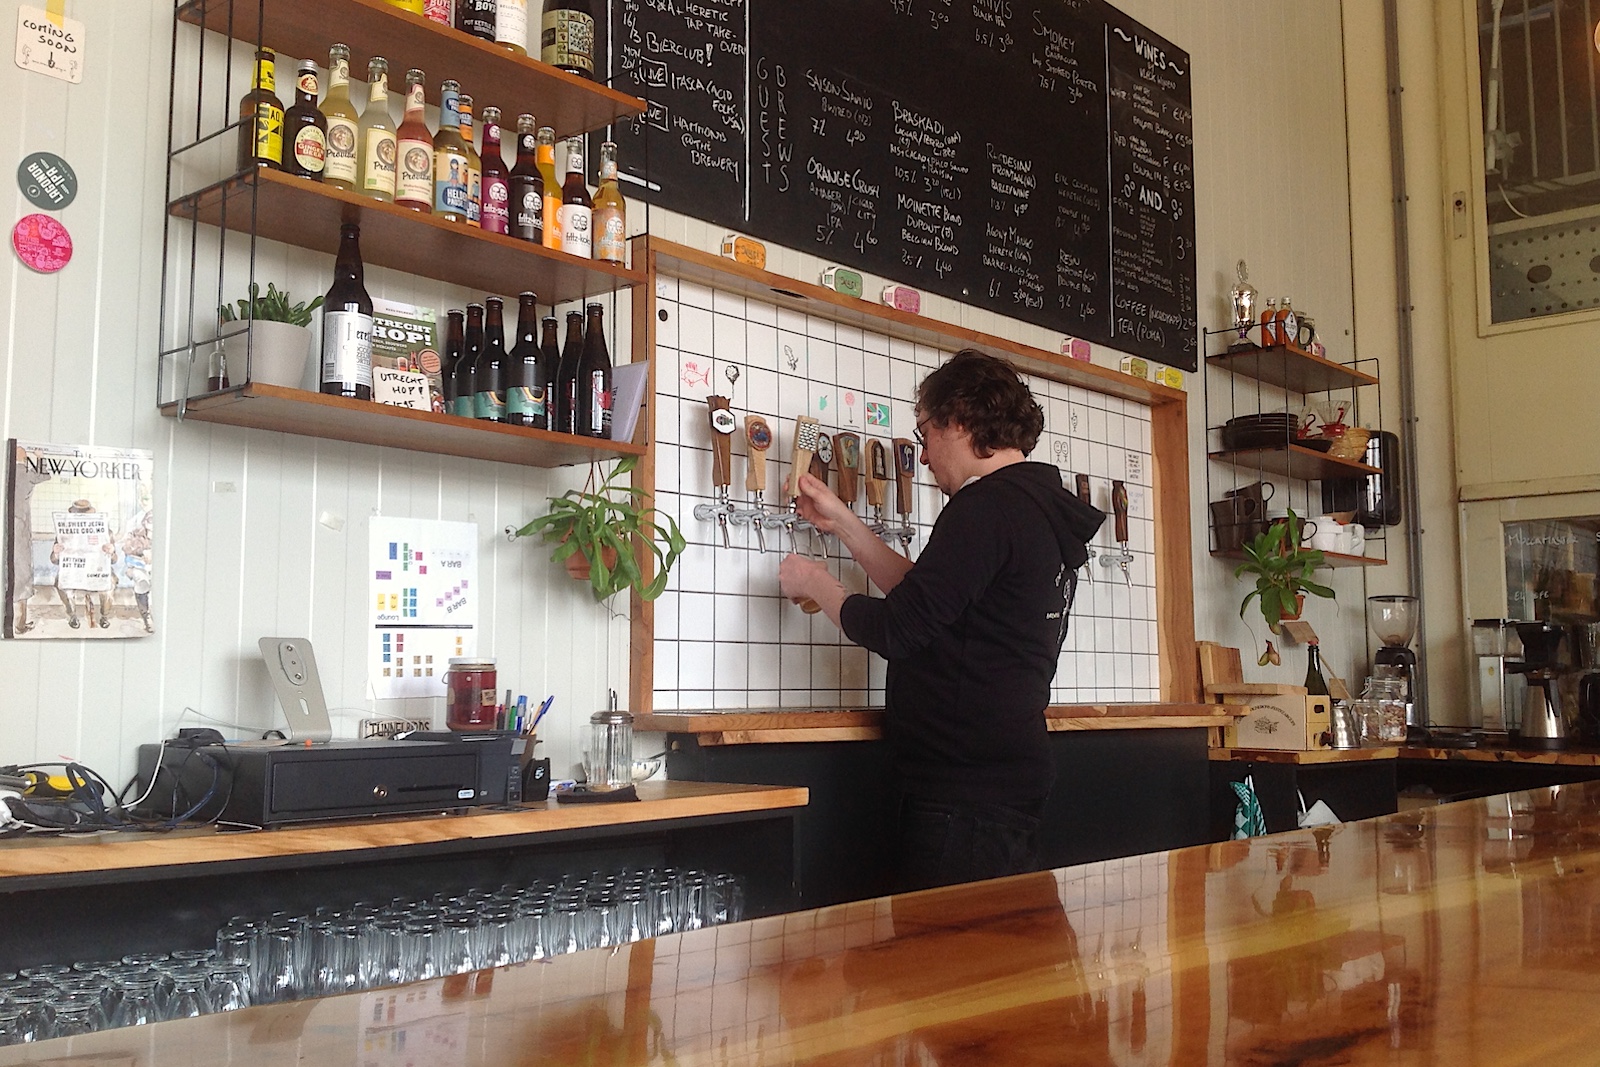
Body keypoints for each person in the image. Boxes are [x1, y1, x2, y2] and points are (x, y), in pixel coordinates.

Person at [778, 349, 1105, 892]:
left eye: (924, 432)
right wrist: (846, 526)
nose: (924, 456)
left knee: (949, 967)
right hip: (1003, 775)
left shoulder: (986, 509)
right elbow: (933, 602)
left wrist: (817, 584)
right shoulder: (1035, 504)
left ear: (959, 420)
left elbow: (897, 629)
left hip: (963, 792)